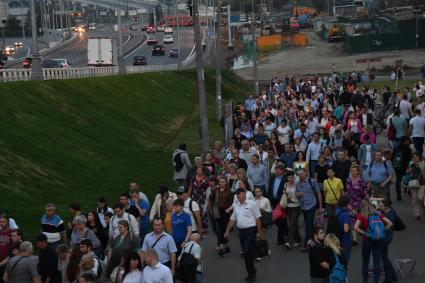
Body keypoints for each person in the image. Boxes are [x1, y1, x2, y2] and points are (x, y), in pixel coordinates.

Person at [224, 188, 262, 283]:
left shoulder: (252, 204)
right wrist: (227, 231)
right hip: (241, 232)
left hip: (251, 231)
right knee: (246, 253)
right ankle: (252, 269)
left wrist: (259, 231)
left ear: (244, 194)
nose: (237, 196)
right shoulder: (236, 205)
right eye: (236, 195)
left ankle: (251, 274)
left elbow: (258, 218)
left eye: (238, 194)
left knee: (246, 251)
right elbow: (232, 219)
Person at [354, 200, 393, 283]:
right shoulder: (378, 214)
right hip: (378, 241)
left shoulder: (362, 215)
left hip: (367, 240)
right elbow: (390, 223)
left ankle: (365, 281)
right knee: (376, 263)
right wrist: (383, 230)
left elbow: (355, 227)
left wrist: (365, 233)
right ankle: (376, 281)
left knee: (365, 262)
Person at [296, 169, 322, 249]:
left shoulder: (312, 181)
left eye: (302, 174)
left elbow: (318, 193)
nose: (300, 176)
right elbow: (296, 194)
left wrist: (320, 206)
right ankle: (316, 238)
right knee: (310, 224)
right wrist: (299, 194)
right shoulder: (298, 183)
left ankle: (306, 244)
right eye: (299, 174)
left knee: (307, 225)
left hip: (311, 205)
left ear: (306, 174)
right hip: (303, 206)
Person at [207, 176, 233, 256]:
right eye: (220, 182)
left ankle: (221, 245)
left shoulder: (229, 191)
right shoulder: (215, 190)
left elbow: (231, 202)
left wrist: (228, 209)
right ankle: (225, 244)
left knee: (221, 228)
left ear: (226, 183)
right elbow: (211, 199)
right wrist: (210, 208)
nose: (221, 183)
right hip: (216, 210)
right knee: (216, 228)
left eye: (223, 182)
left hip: (225, 212)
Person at [268, 164, 287, 245]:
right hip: (274, 201)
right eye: (275, 169)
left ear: (282, 171)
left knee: (281, 220)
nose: (275, 171)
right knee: (277, 220)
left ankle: (280, 239)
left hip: (281, 202)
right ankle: (287, 232)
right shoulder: (272, 178)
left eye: (277, 169)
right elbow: (270, 189)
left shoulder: (285, 180)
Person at [380, 200, 399, 283]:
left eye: (382, 206)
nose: (380, 207)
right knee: (385, 258)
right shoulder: (391, 211)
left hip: (386, 237)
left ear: (387, 207)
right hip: (389, 236)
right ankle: (393, 276)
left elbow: (387, 226)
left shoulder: (388, 215)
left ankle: (388, 278)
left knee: (384, 258)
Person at [323, 167, 344, 234]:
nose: (329, 173)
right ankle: (329, 232)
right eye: (328, 172)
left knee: (337, 217)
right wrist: (327, 198)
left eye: (330, 172)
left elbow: (342, 192)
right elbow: (325, 192)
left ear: (334, 173)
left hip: (337, 202)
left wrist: (341, 202)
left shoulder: (339, 180)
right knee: (330, 217)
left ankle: (337, 232)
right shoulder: (325, 181)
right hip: (328, 202)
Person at [284, 171, 301, 248]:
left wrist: (299, 195)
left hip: (296, 206)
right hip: (288, 206)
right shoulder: (285, 184)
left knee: (292, 223)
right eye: (288, 177)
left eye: (291, 177)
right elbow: (285, 194)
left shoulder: (297, 184)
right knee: (293, 224)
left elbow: (300, 194)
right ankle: (297, 239)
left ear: (294, 177)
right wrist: (287, 199)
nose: (290, 179)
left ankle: (288, 241)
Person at [392, 136, 412, 201]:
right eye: (408, 140)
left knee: (398, 181)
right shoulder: (407, 149)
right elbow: (409, 159)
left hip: (397, 167)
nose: (409, 142)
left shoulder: (396, 148)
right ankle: (409, 192)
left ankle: (398, 195)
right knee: (409, 179)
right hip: (405, 167)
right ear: (405, 141)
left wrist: (394, 165)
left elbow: (392, 157)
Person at [407, 152, 425, 220]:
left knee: (420, 198)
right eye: (414, 157)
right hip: (413, 183)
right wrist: (410, 167)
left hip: (422, 183)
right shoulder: (411, 164)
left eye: (416, 157)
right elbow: (407, 172)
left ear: (419, 157)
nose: (415, 158)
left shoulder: (423, 163)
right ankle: (417, 214)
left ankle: (423, 209)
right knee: (414, 199)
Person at [334, 195, 352, 263]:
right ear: (346, 204)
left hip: (337, 238)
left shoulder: (337, 211)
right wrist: (351, 225)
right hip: (345, 240)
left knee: (337, 259)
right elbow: (346, 229)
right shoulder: (345, 214)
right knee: (344, 261)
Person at [0, 215, 13, 282]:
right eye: (0, 222)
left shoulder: (12, 233)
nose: (1, 223)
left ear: (8, 222)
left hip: (8, 262)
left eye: (4, 222)